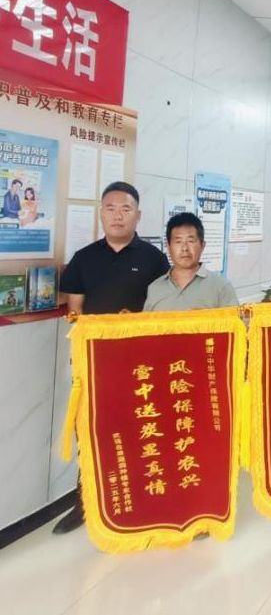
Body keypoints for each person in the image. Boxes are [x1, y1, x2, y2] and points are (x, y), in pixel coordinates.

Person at [54, 181, 170, 534]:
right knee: (90, 428)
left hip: (140, 363)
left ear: (138, 215)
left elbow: (163, 308)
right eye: (110, 208)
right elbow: (74, 314)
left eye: (125, 209)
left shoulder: (154, 259)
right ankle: (85, 501)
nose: (117, 216)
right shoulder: (84, 258)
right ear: (101, 213)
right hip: (93, 362)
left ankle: (141, 496)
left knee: (141, 427)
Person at [144, 212, 238, 311]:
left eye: (190, 241)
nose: (184, 248)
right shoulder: (155, 288)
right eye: (178, 241)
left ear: (202, 245)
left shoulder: (221, 287)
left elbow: (235, 321)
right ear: (168, 246)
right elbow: (146, 321)